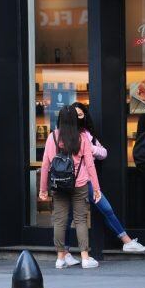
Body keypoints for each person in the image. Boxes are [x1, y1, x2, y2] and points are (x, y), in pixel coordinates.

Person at [61, 102, 145, 267]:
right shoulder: (63, 134)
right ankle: (65, 253)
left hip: (86, 181)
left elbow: (103, 152)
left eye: (81, 114)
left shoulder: (87, 134)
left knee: (105, 209)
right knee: (70, 217)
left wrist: (90, 148)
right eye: (76, 114)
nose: (79, 117)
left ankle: (126, 241)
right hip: (70, 182)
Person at [39, 105, 102, 270]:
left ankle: (60, 258)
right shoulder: (82, 138)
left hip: (59, 185)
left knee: (59, 221)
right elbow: (90, 165)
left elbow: (45, 165)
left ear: (59, 119)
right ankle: (85, 258)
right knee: (81, 220)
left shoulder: (52, 137)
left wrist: (43, 189)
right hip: (79, 184)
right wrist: (96, 188)